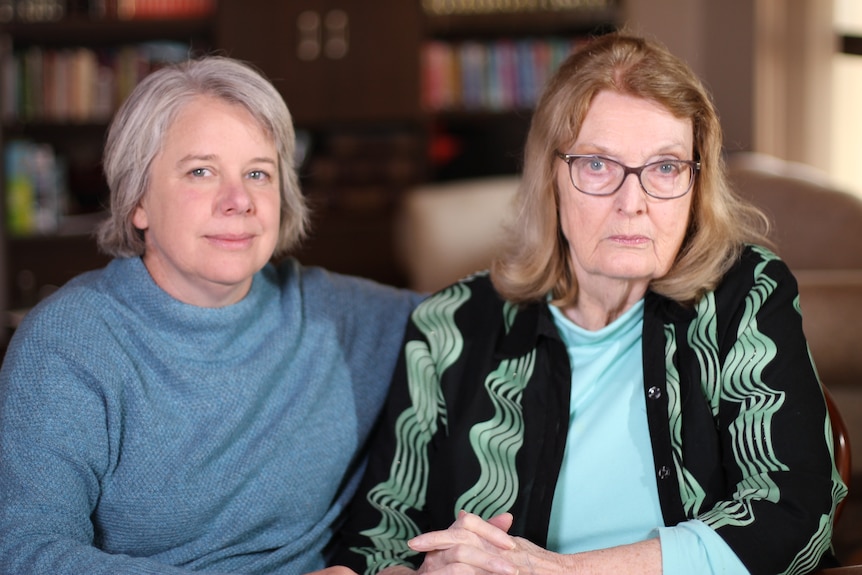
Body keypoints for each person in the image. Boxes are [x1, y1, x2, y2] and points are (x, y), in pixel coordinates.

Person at [331, 32, 847, 575]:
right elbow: (376, 542)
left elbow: (797, 517)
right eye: (598, 165)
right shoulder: (447, 326)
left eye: (665, 167)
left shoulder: (746, 296)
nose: (633, 204)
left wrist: (560, 571)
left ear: (697, 182)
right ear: (550, 178)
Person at [0, 56, 423, 574]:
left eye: (257, 174)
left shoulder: (338, 313)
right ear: (139, 201)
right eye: (201, 171)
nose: (238, 200)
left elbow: (496, 317)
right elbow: (26, 554)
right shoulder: (68, 343)